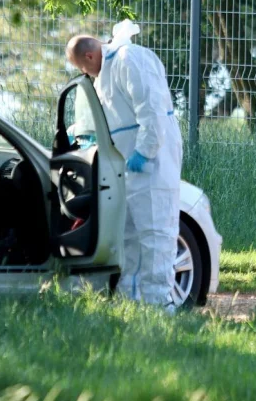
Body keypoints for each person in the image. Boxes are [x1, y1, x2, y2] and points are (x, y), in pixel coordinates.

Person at [66, 20, 183, 312]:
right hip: (128, 168)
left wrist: (145, 151)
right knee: (129, 236)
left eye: (81, 66)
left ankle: (159, 305)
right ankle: (131, 303)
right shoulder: (104, 74)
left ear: (90, 57)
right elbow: (116, 118)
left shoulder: (130, 59)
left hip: (153, 164)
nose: (83, 73)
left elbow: (152, 111)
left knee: (156, 234)